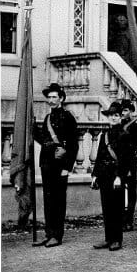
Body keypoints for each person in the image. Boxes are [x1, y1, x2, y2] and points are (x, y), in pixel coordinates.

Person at [33, 83, 78, 248]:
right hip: (47, 164)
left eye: (54, 97)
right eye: (49, 97)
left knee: (58, 201)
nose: (51, 100)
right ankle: (49, 234)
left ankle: (57, 236)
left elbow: (73, 145)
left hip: (60, 166)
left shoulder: (67, 117)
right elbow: (44, 141)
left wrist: (67, 167)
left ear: (61, 98)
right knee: (48, 199)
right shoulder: (47, 118)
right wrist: (32, 128)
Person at [90, 102, 131, 251]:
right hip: (104, 175)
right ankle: (108, 238)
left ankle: (117, 240)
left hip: (116, 175)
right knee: (107, 207)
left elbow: (126, 159)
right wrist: (95, 175)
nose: (113, 118)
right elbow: (99, 157)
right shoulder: (104, 135)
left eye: (116, 115)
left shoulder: (125, 135)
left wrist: (120, 176)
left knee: (117, 208)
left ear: (120, 117)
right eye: (111, 115)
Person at [120, 99, 137, 231]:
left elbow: (132, 146)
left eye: (126, 110)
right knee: (119, 191)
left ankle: (129, 220)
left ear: (131, 112)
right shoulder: (117, 125)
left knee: (131, 192)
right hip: (118, 162)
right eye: (122, 110)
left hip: (130, 162)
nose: (123, 113)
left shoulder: (134, 127)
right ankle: (121, 220)